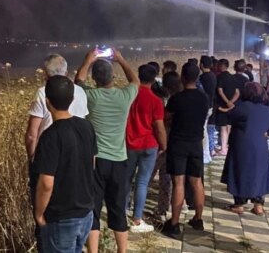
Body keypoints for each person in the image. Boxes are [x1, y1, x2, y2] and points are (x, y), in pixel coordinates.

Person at [75, 49, 138, 253]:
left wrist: (88, 59)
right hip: (119, 160)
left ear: (95, 79)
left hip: (95, 160)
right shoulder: (124, 96)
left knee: (93, 208)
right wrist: (120, 59)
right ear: (113, 77)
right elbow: (135, 80)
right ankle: (122, 250)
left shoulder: (90, 96)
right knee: (118, 208)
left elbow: (78, 82)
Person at [26, 54, 89, 252]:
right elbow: (92, 162)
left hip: (62, 217)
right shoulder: (87, 127)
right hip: (85, 212)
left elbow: (46, 183)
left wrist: (39, 214)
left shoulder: (50, 137)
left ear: (47, 102)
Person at [221, 82, 269, 215]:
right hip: (260, 145)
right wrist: (268, 132)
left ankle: (239, 203)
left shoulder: (243, 107)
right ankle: (258, 205)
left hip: (241, 145)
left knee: (239, 171)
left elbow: (229, 116)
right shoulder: (267, 109)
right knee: (260, 172)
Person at [162, 63, 208, 237]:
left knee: (179, 183)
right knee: (196, 182)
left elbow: (166, 117)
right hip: (196, 142)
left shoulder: (177, 99)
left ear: (182, 77)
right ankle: (198, 219)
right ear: (196, 78)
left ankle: (174, 223)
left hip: (178, 143)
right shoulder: (204, 98)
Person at [124, 65, 167, 233]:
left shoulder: (129, 95)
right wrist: (164, 145)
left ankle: (123, 212)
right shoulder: (156, 100)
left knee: (126, 179)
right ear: (155, 78)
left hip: (129, 143)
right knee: (142, 182)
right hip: (149, 144)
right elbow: (159, 126)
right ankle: (136, 219)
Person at [151, 71, 181, 222]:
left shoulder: (163, 99)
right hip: (174, 143)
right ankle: (162, 209)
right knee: (166, 178)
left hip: (160, 141)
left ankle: (135, 205)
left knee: (148, 174)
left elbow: (160, 122)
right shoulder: (179, 98)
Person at [215, 59, 239, 156]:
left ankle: (223, 149)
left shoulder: (220, 77)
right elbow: (237, 92)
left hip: (223, 106)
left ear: (221, 66)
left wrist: (227, 102)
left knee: (223, 127)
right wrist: (232, 102)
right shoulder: (233, 77)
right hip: (232, 107)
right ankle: (226, 147)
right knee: (229, 126)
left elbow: (220, 91)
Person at [198, 56, 217, 164]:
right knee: (204, 129)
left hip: (205, 107)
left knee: (203, 131)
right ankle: (207, 153)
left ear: (201, 65)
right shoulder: (213, 76)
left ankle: (205, 155)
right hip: (210, 106)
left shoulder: (203, 77)